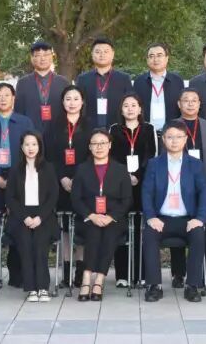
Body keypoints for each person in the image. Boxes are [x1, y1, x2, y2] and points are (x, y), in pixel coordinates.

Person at [141, 122, 206, 302]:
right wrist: (151, 217)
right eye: (170, 137)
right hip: (161, 219)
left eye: (179, 137)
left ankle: (192, 286)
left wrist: (200, 219)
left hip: (187, 219)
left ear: (185, 139)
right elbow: (146, 192)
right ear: (163, 139)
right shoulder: (154, 164)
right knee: (149, 235)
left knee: (198, 234)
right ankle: (154, 286)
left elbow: (204, 192)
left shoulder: (195, 164)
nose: (174, 141)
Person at [0, 83, 36, 286]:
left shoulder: (25, 122)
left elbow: (32, 150)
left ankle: (17, 272)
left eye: (6, 95)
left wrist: (16, 179)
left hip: (19, 179)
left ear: (13, 98)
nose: (2, 99)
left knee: (19, 224)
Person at [71, 129, 133, 302]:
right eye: (95, 144)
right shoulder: (82, 169)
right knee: (93, 231)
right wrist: (91, 215)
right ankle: (86, 277)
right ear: (90, 147)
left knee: (110, 232)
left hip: (113, 218)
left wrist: (110, 217)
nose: (99, 147)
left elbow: (127, 200)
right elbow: (76, 199)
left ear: (110, 145)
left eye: (103, 143)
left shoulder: (121, 170)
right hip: (89, 218)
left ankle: (98, 279)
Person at [167, 88, 206, 287]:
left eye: (194, 100)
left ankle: (203, 274)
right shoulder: (172, 126)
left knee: (203, 231)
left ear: (199, 104)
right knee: (178, 226)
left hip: (203, 185)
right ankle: (178, 273)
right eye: (186, 100)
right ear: (179, 104)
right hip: (177, 186)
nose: (190, 104)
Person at [107, 94, 158, 287]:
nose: (130, 109)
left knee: (141, 229)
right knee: (121, 228)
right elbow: (111, 156)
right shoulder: (114, 129)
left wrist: (137, 175)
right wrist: (125, 176)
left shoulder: (149, 129)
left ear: (140, 109)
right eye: (126, 105)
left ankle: (142, 274)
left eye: (133, 105)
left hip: (143, 184)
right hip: (120, 185)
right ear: (121, 109)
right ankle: (122, 275)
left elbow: (152, 155)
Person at [45, 85, 92, 288]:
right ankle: (65, 272)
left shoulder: (90, 125)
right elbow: (49, 155)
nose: (72, 103)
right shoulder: (53, 126)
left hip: (83, 183)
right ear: (62, 102)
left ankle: (80, 272)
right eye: (68, 99)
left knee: (81, 226)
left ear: (82, 102)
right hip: (60, 183)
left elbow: (93, 155)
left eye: (76, 98)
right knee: (64, 228)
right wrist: (62, 177)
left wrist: (78, 179)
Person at [6, 132, 59, 302]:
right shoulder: (15, 170)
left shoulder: (48, 168)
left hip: (43, 216)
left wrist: (39, 217)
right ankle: (31, 289)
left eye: (34, 144)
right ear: (21, 147)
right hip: (21, 216)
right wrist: (25, 217)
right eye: (27, 144)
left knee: (40, 245)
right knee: (26, 245)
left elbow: (53, 196)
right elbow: (10, 197)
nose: (31, 148)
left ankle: (43, 287)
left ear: (39, 147)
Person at [76, 38, 134, 128]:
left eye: (106, 51)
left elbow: (130, 104)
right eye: (98, 52)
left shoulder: (124, 79)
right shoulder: (83, 79)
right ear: (92, 54)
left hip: (117, 128)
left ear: (113, 54)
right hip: (89, 129)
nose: (102, 55)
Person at [15, 41, 71, 133]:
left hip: (58, 133)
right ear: (32, 58)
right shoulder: (23, 83)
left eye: (46, 55)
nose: (42, 58)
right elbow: (18, 112)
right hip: (31, 135)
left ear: (52, 57)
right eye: (38, 55)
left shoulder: (63, 82)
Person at [132, 42, 184, 132]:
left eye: (159, 55)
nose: (155, 59)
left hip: (171, 133)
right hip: (145, 132)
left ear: (167, 58)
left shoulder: (177, 81)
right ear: (147, 59)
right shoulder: (139, 82)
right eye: (151, 56)